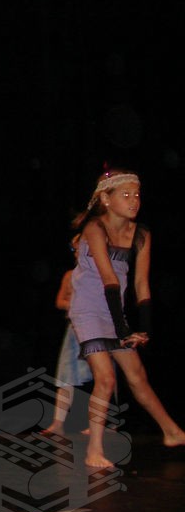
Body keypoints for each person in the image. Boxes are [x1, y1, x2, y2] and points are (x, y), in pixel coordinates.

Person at [67, 169, 185, 467]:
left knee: (137, 376)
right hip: (88, 309)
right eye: (126, 195)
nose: (134, 201)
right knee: (106, 378)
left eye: (137, 195)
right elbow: (109, 280)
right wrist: (123, 330)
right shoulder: (95, 227)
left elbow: (141, 285)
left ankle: (172, 432)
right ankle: (94, 451)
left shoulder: (140, 234)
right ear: (106, 199)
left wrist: (143, 328)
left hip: (113, 311)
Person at [40, 266, 93, 436]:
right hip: (75, 328)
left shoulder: (99, 272)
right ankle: (58, 423)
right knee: (66, 375)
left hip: (96, 328)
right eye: (76, 252)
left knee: (103, 377)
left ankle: (102, 423)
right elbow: (60, 301)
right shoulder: (70, 274)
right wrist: (76, 304)